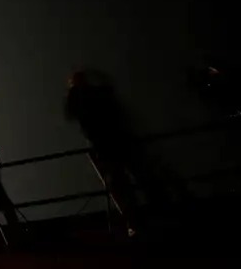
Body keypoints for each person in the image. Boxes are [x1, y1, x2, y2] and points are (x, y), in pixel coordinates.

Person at [66, 70, 169, 235]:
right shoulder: (95, 94)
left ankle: (140, 220)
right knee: (134, 179)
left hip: (108, 144)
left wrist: (74, 88)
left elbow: (71, 112)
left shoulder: (83, 98)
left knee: (127, 182)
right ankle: (152, 215)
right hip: (116, 141)